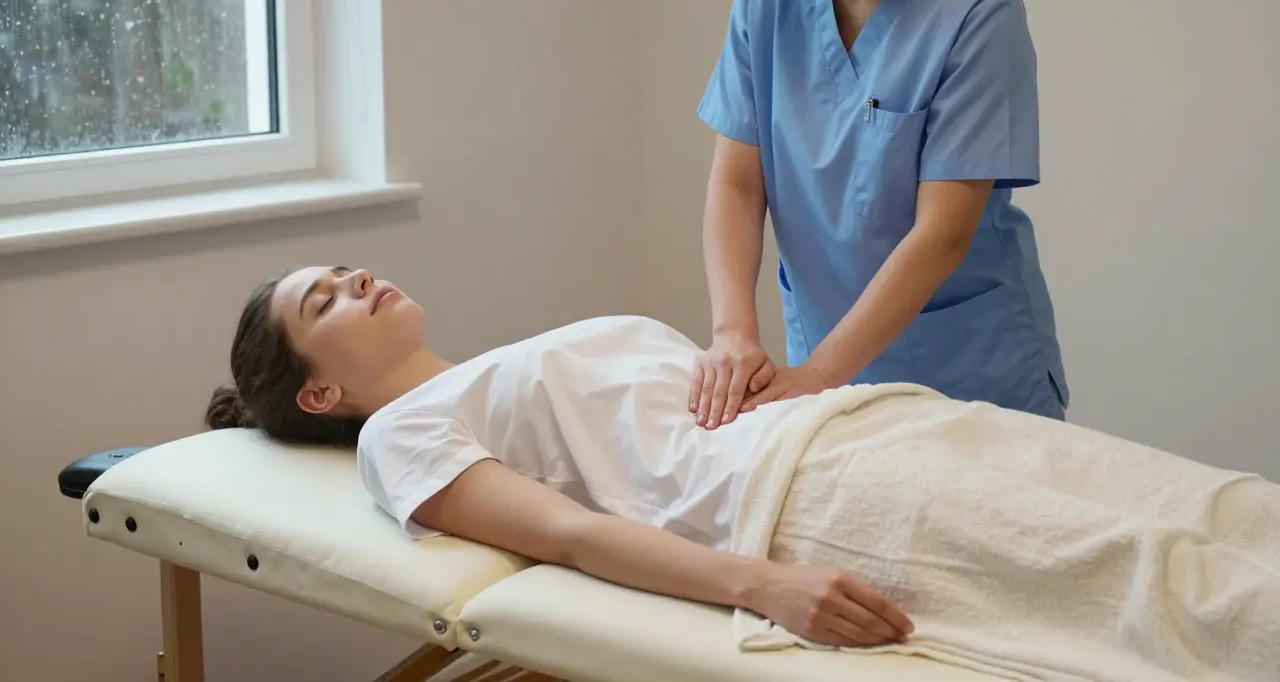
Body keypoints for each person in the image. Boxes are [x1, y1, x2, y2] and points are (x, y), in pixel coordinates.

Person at [205, 266, 1280, 679]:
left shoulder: (499, 365)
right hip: (812, 498)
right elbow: (566, 536)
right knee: (1158, 576)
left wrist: (734, 353)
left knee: (1203, 504)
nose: (353, 279)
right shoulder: (403, 440)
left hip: (874, 422)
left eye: (343, 270)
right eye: (324, 303)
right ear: (318, 395)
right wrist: (768, 585)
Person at [691, 0, 1068, 433]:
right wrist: (733, 333)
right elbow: (738, 184)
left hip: (967, 375)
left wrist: (820, 376)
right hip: (821, 372)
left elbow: (941, 235)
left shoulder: (979, 11)